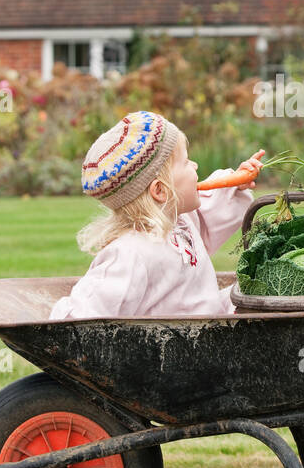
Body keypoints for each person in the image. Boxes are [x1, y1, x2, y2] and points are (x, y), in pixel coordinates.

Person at [49, 110, 263, 319]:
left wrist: (234, 184)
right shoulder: (130, 254)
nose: (195, 165)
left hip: (206, 327)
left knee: (261, 290)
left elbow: (207, 223)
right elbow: (83, 315)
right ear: (160, 191)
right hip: (174, 346)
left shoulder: (179, 222)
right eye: (187, 162)